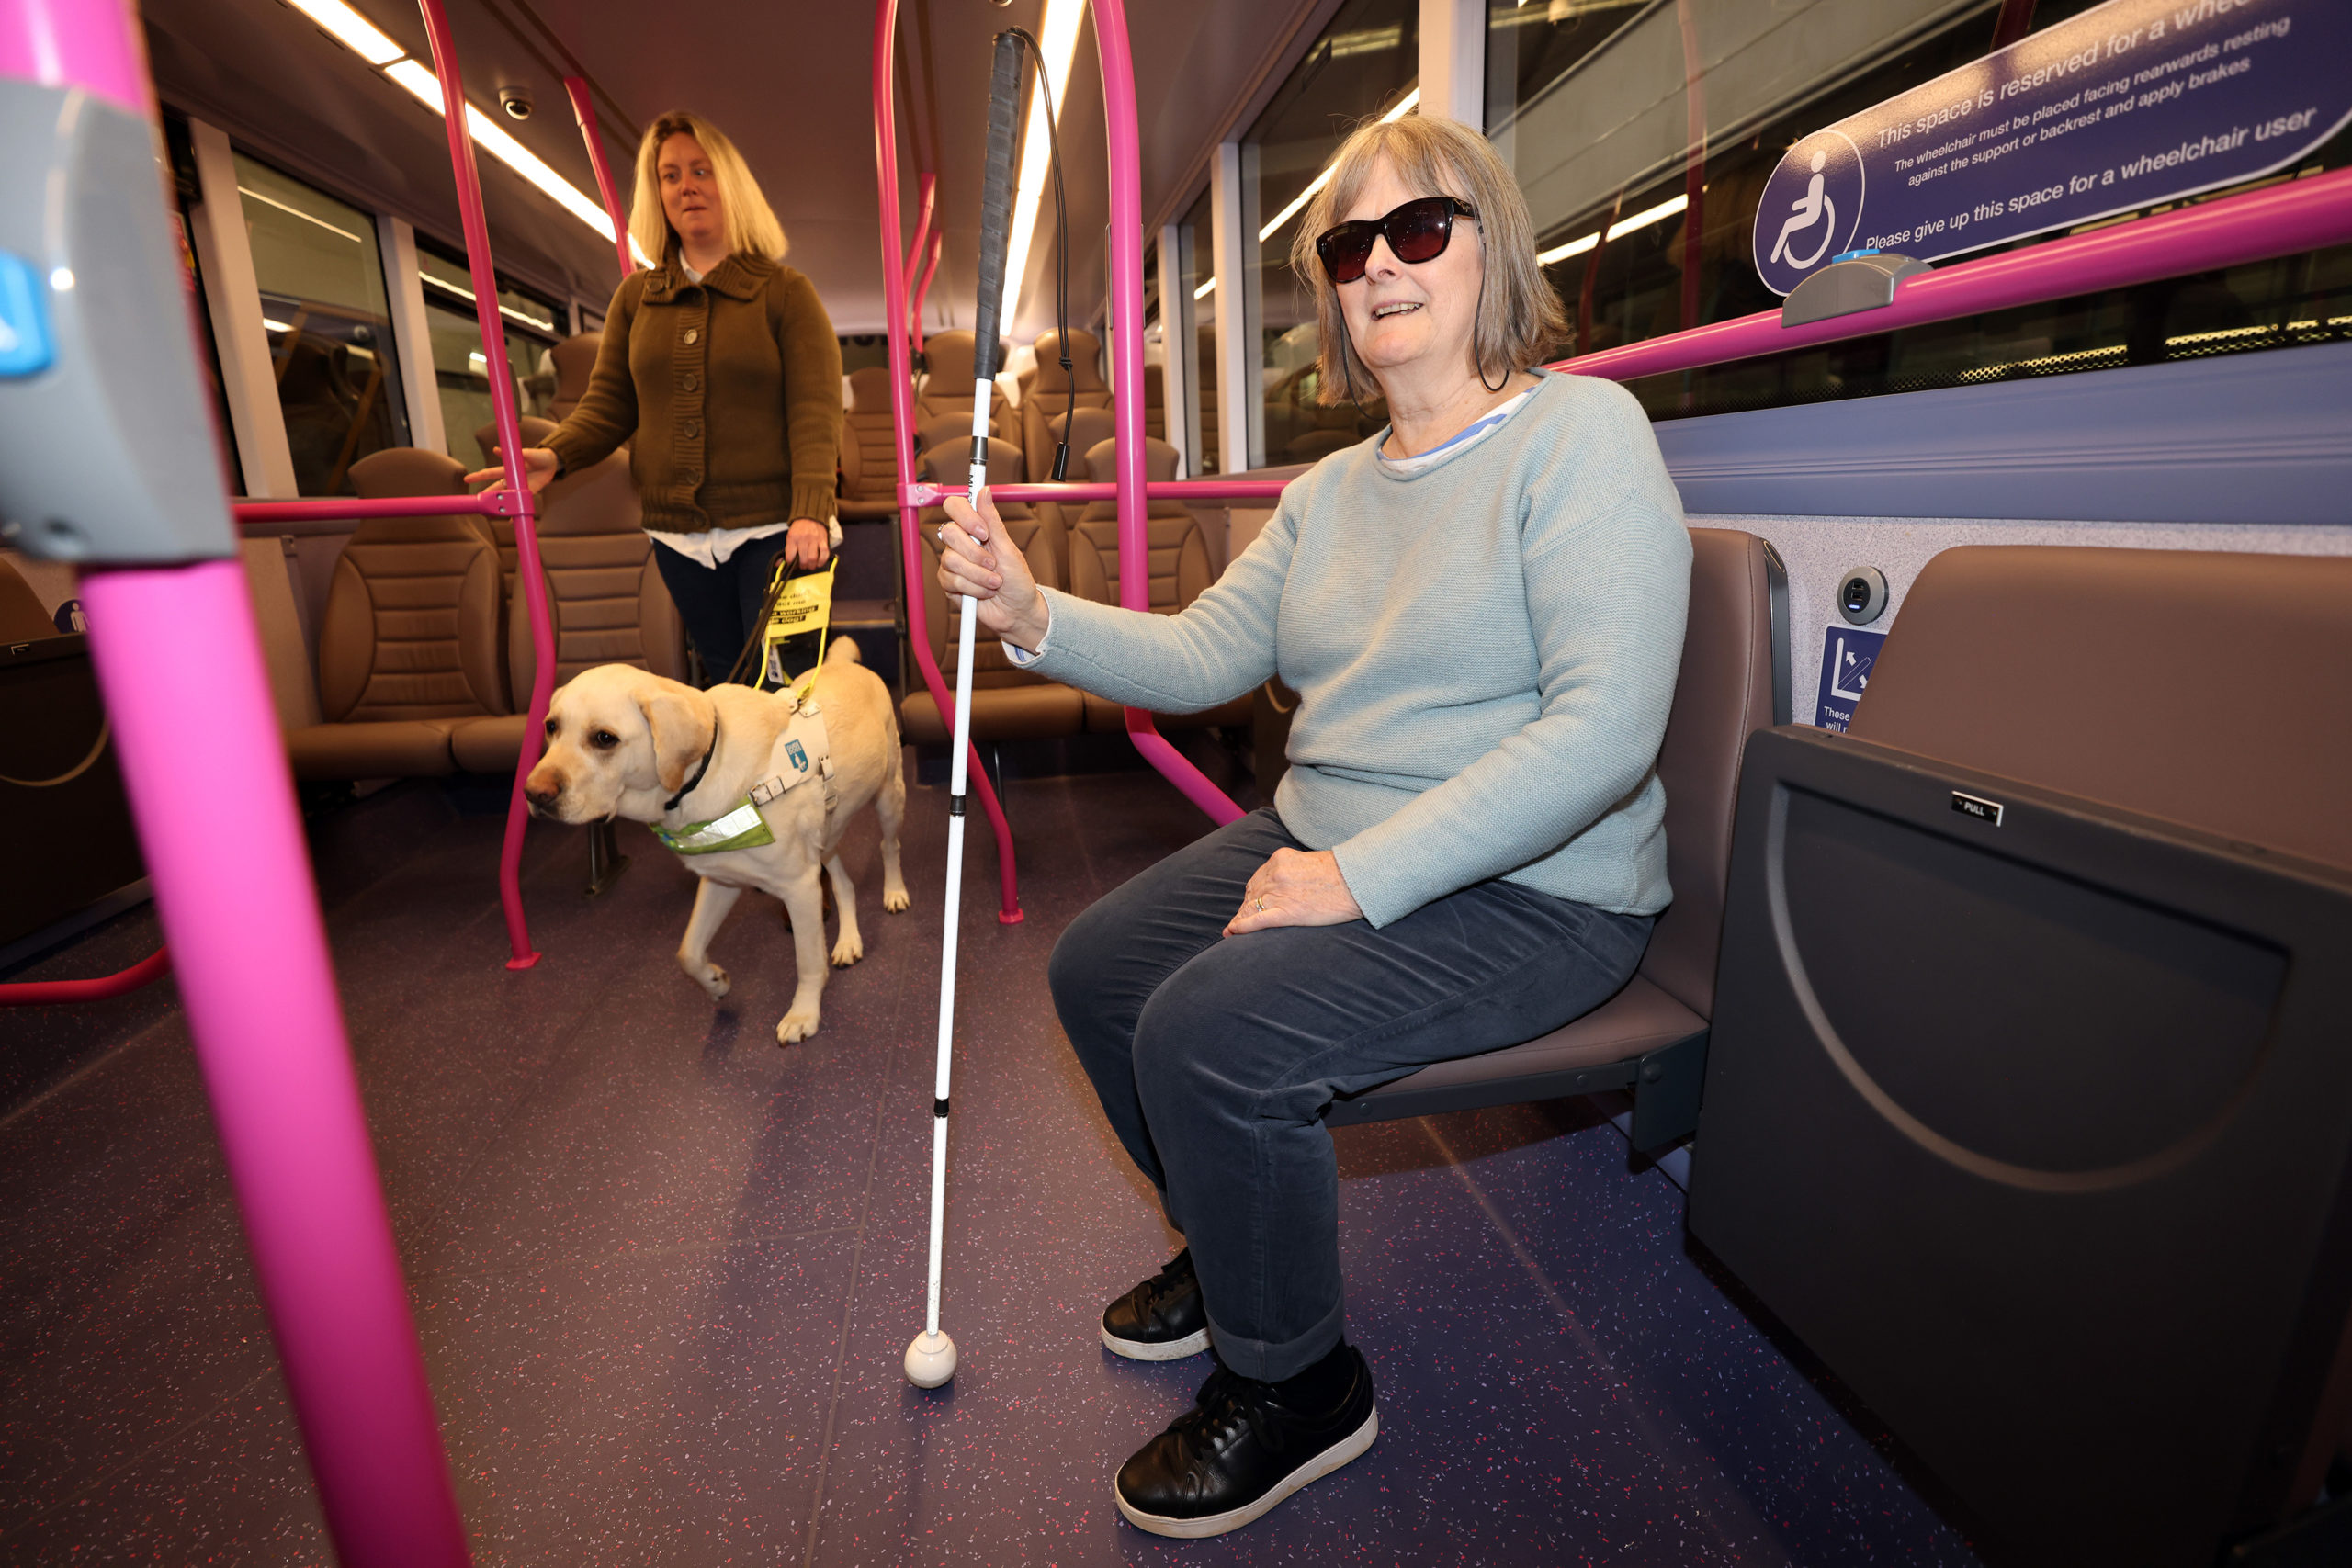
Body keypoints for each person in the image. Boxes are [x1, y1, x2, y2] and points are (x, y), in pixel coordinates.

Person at [936, 115, 1691, 1538]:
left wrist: (1353, 876)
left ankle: (1298, 1382)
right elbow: (1205, 654)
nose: (1382, 268)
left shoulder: (1581, 436)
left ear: (1493, 249)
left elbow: (1601, 739)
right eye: (1353, 247)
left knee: (1208, 1030)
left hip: (1545, 883)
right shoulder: (1330, 492)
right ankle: (1240, 1255)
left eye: (1422, 230)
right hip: (1339, 829)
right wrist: (1031, 612)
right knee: (1101, 972)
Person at [468, 110, 842, 682]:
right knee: (723, 678)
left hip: (778, 528)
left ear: (731, 185)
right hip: (678, 536)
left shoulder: (785, 293)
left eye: (701, 170)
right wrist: (557, 453)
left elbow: (814, 413)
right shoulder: (635, 298)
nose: (686, 185)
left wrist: (811, 512)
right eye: (670, 175)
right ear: (657, 194)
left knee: (785, 683)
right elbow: (608, 404)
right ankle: (738, 779)